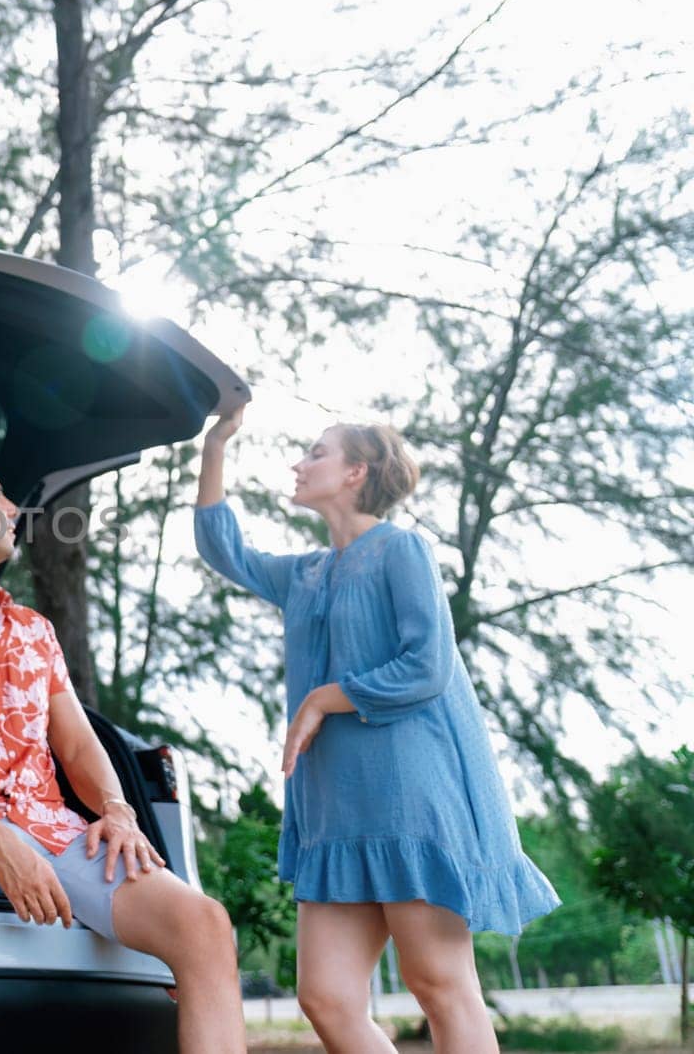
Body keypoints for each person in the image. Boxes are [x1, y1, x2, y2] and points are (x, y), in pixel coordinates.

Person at [194, 406, 559, 1053]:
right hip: (334, 814)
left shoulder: (401, 549)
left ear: (356, 471)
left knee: (439, 983)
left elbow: (428, 664)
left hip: (411, 800)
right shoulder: (303, 573)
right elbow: (223, 550)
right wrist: (216, 444)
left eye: (316, 453)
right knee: (327, 996)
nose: (299, 464)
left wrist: (325, 699)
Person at [0, 444, 247, 1054]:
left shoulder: (35, 632)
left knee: (204, 923)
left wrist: (118, 812)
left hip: (51, 827)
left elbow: (76, 742)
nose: (14, 508)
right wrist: (0, 844)